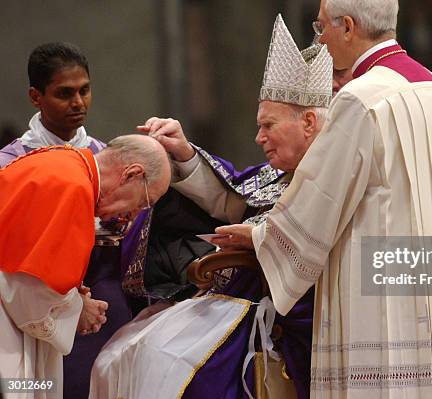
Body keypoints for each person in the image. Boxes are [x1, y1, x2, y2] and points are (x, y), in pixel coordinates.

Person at [215, 1, 432, 397]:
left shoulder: (361, 99)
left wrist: (258, 237)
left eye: (321, 28)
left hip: (383, 299)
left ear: (349, 27)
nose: (320, 40)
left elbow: (320, 201)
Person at [89, 18, 332, 399]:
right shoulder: (275, 173)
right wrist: (184, 154)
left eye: (268, 125)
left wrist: (257, 239)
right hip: (222, 300)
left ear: (309, 121)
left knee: (163, 361)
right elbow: (232, 199)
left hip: (262, 310)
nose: (258, 138)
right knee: (118, 354)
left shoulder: (331, 180)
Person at [0, 42, 147, 398]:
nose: (78, 102)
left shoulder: (107, 159)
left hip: (108, 296)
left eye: (84, 90)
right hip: (37, 303)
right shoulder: (10, 165)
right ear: (36, 97)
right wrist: (71, 303)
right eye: (64, 93)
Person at [0, 134, 171, 399]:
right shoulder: (73, 185)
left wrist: (73, 296)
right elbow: (30, 294)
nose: (133, 215)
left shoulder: (65, 164)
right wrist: (78, 309)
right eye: (142, 203)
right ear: (131, 174)